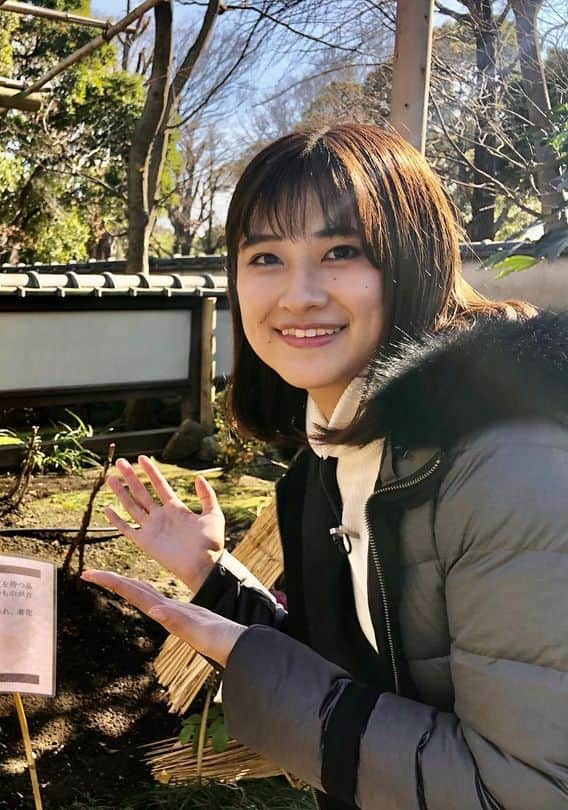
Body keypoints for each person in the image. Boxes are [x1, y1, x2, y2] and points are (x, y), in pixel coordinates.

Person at [82, 124, 568, 809]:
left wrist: (250, 664)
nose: (298, 295)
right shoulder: (324, 467)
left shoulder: (508, 465)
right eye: (266, 257)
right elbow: (353, 675)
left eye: (341, 251)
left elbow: (522, 791)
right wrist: (209, 574)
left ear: (414, 261)